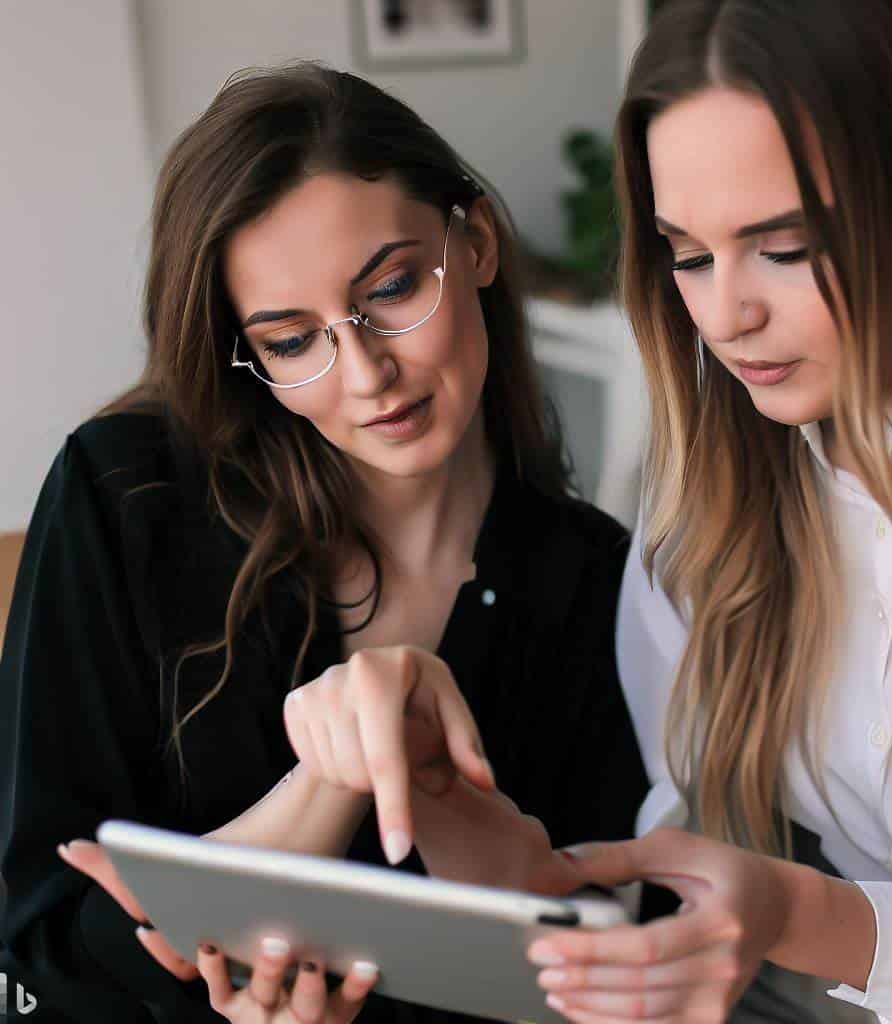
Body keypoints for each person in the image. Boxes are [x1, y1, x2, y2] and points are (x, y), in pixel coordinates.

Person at [0, 63, 650, 1024]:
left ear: (476, 242)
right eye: (291, 341)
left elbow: (597, 969)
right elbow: (44, 941)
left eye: (391, 289)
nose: (367, 373)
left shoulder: (595, 579)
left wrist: (421, 784)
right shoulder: (125, 495)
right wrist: (327, 783)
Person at [512, 1, 892, 1022]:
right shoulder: (702, 514)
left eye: (783, 248)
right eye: (688, 255)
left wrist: (805, 913)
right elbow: (685, 821)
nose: (724, 315)